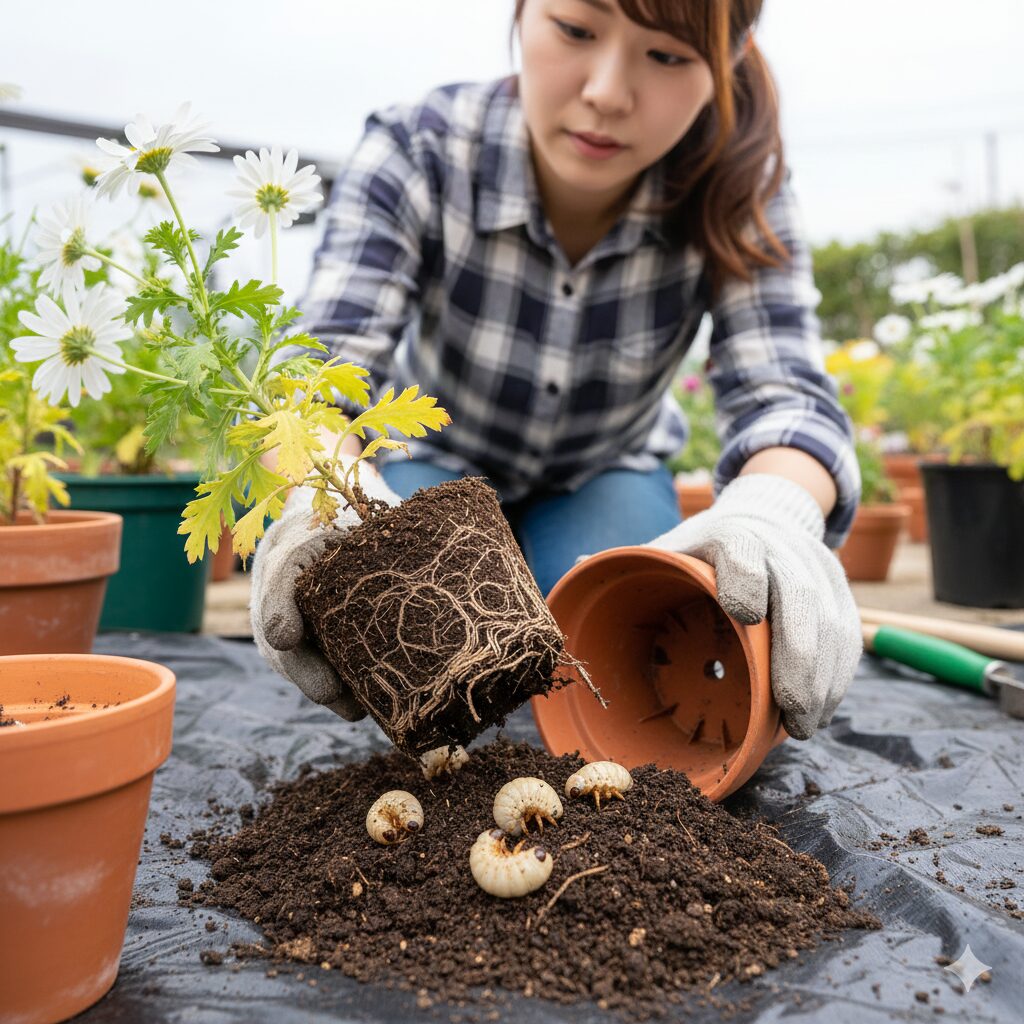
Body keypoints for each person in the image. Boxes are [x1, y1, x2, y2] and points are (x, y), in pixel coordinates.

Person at [250, 0, 862, 741]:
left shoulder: (738, 187)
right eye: (576, 30)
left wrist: (773, 513)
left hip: (605, 469)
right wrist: (326, 505)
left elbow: (786, 398)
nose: (607, 91)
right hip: (432, 469)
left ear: (725, 66)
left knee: (633, 654)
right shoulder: (423, 148)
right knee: (408, 647)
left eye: (667, 56)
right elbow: (315, 379)